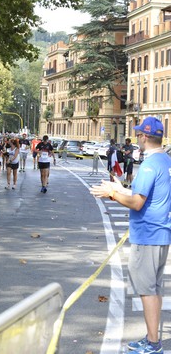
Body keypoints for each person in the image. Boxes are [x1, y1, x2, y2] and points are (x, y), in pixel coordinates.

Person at [90, 117, 171, 354]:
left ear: (144, 137)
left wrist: (112, 195)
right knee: (153, 289)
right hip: (160, 234)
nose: (137, 138)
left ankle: (153, 343)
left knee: (147, 290)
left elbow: (137, 202)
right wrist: (118, 188)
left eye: (138, 134)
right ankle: (151, 338)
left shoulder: (147, 165)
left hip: (147, 234)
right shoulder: (165, 160)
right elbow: (147, 195)